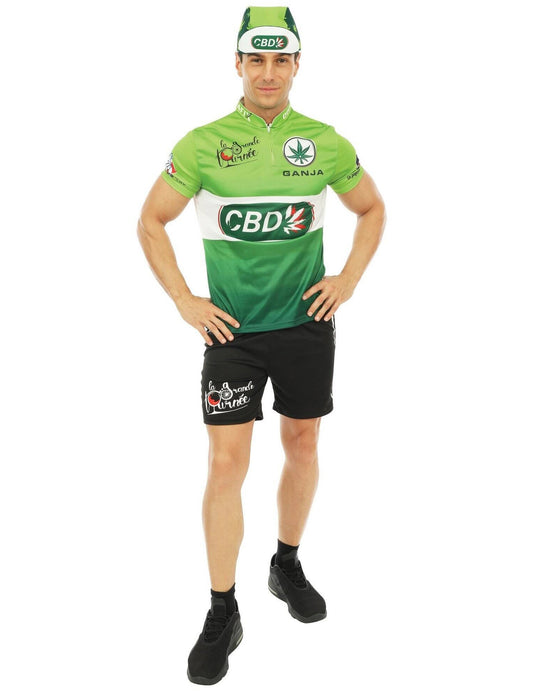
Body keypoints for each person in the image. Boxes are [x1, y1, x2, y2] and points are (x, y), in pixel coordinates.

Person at [137, 6, 385, 685]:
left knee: (302, 443)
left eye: (280, 59)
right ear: (238, 64)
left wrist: (348, 278)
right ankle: (223, 609)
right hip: (233, 333)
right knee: (225, 464)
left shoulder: (323, 142)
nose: (268, 72)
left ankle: (286, 563)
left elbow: (371, 208)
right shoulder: (202, 145)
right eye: (256, 59)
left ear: (297, 64)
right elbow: (151, 221)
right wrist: (185, 300)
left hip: (305, 325)